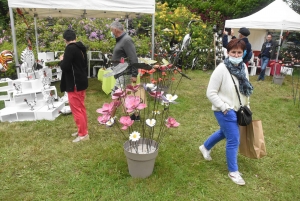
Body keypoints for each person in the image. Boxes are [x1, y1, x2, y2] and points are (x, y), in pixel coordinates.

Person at [199, 39, 254, 186]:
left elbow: (245, 90)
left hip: (239, 109)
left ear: (244, 53)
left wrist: (247, 105)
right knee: (234, 139)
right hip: (224, 110)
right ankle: (233, 171)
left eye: (239, 52)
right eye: (233, 52)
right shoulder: (222, 69)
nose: (236, 55)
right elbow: (210, 93)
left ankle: (205, 147)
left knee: (225, 132)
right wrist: (224, 107)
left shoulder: (243, 67)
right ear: (228, 52)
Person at [59, 29, 89, 143]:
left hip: (74, 84)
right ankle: (82, 130)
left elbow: (65, 67)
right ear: (75, 37)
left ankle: (83, 134)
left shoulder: (70, 49)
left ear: (65, 40)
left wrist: (62, 60)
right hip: (81, 82)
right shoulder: (80, 47)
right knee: (81, 107)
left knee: (76, 109)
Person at [110, 21, 139, 120]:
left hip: (125, 73)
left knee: (115, 95)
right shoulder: (120, 40)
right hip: (120, 73)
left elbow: (133, 58)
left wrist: (134, 74)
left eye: (112, 30)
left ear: (116, 30)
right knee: (124, 96)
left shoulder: (126, 40)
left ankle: (111, 118)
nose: (111, 33)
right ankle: (135, 116)